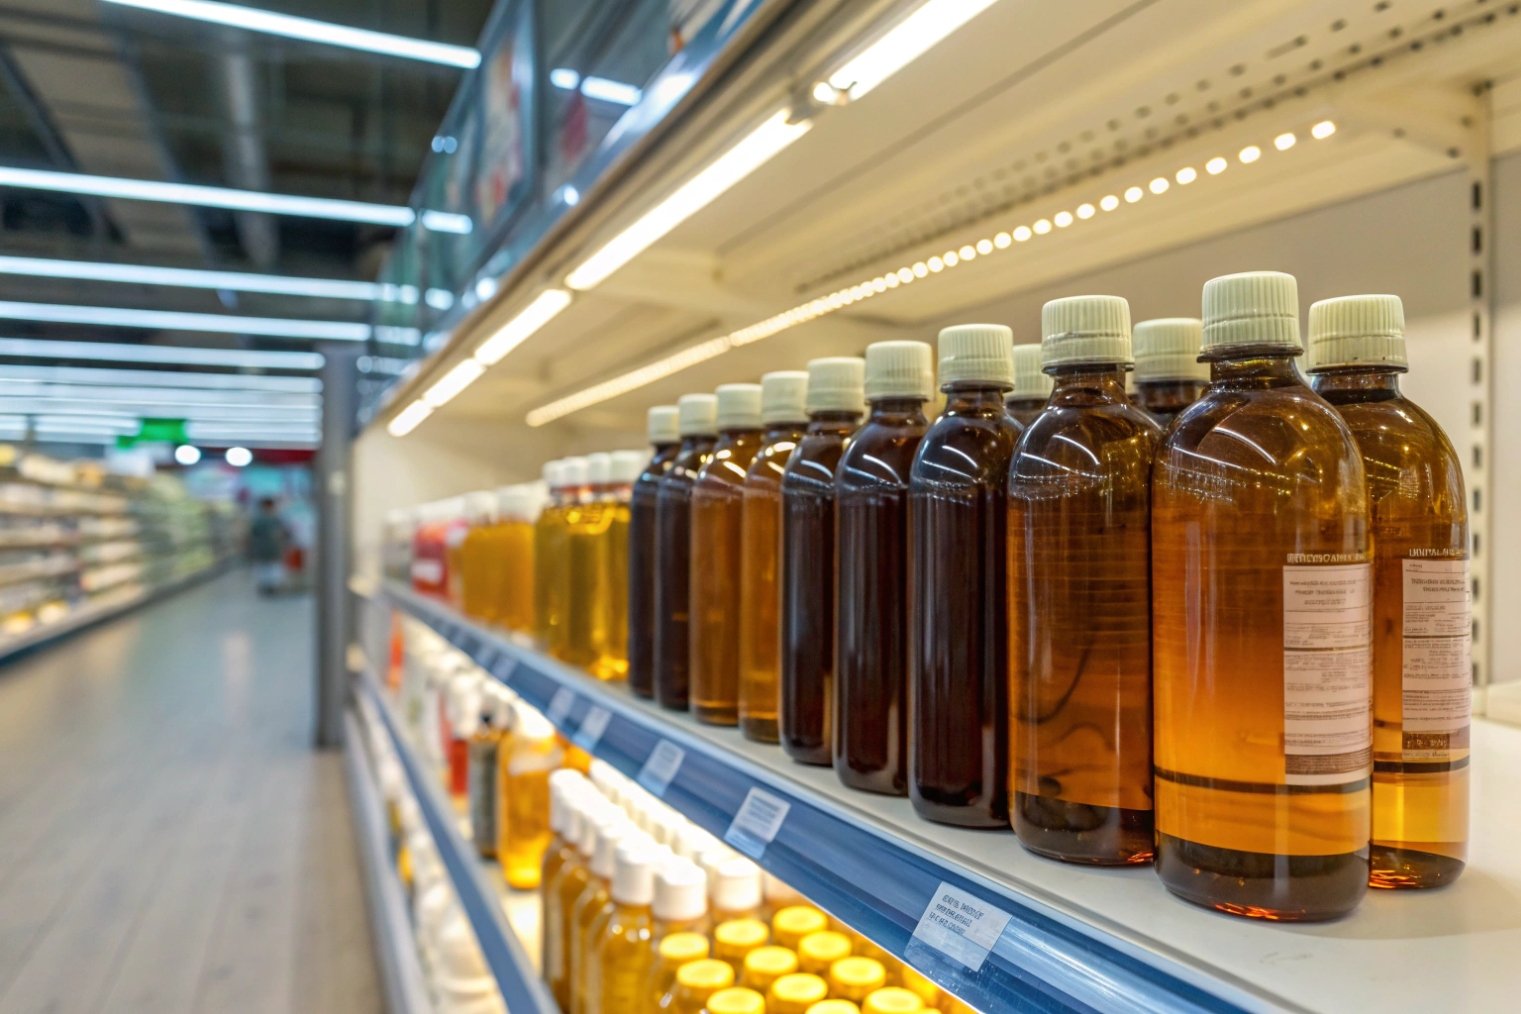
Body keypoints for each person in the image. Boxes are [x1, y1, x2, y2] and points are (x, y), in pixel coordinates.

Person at [248, 497, 288, 595]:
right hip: (267, 548)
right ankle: (268, 586)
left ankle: (270, 586)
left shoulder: (273, 519)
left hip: (269, 548)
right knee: (267, 567)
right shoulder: (266, 519)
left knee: (269, 567)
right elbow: (253, 535)